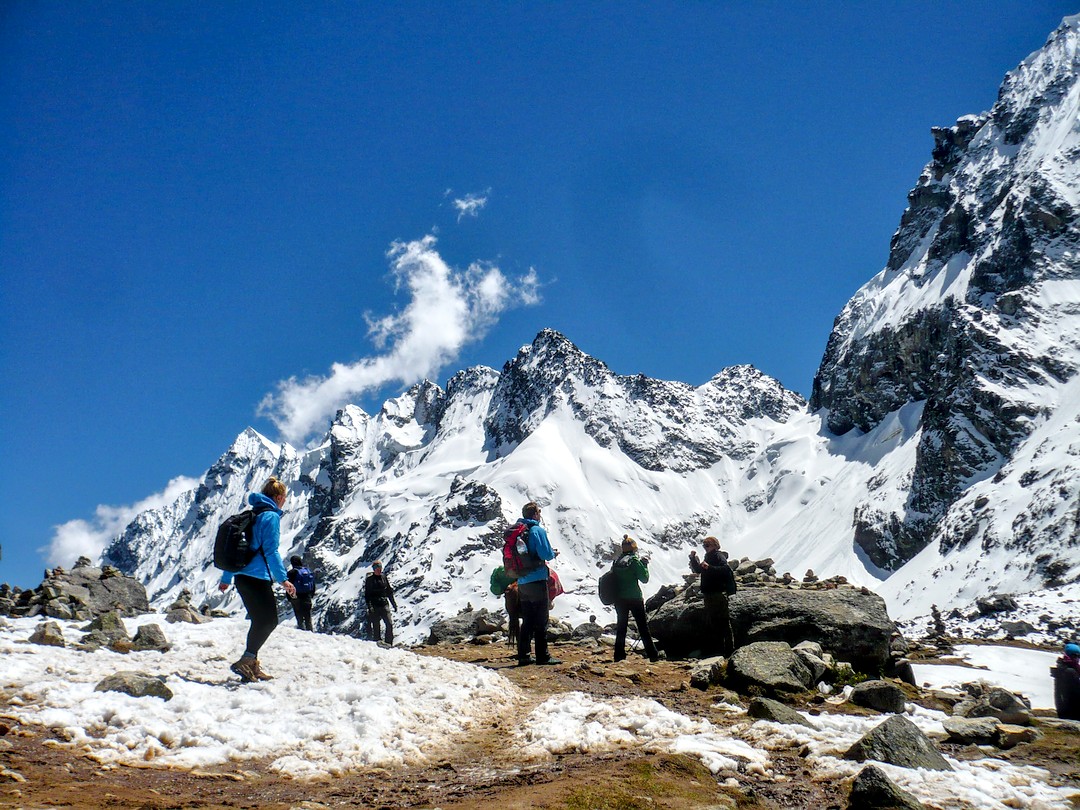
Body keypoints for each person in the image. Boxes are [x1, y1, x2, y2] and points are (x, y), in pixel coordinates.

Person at [218, 477, 296, 682]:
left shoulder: (252, 514)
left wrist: (227, 577)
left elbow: (237, 549)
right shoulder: (270, 516)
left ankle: (251, 665)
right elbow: (270, 551)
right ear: (279, 497)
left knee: (260, 620)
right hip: (257, 577)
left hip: (242, 577)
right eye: (284, 498)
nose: (285, 501)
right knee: (268, 620)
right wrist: (283, 579)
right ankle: (247, 660)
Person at [514, 502, 560, 666]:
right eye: (539, 512)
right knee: (541, 619)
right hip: (537, 579)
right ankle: (543, 656)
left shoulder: (519, 531)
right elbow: (545, 553)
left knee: (527, 620)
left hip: (522, 581)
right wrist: (552, 553)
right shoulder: (536, 530)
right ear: (534, 515)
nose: (540, 515)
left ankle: (524, 655)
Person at [611, 535, 659, 663]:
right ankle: (652, 654)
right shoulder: (634, 561)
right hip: (635, 597)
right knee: (643, 627)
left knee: (621, 626)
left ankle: (619, 655)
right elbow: (644, 578)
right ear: (634, 549)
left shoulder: (617, 561)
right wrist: (644, 565)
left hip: (620, 598)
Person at [689, 536, 736, 657]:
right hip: (709, 594)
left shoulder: (718, 556)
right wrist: (693, 559)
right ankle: (719, 649)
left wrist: (710, 568)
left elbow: (725, 570)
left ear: (715, 545)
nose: (705, 547)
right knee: (714, 621)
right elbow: (699, 570)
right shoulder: (708, 557)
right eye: (704, 545)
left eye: (708, 545)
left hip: (717, 593)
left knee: (723, 622)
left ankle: (728, 650)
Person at [364, 560, 398, 645]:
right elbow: (367, 595)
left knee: (389, 624)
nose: (379, 570)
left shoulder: (384, 577)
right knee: (376, 627)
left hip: (384, 604)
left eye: (380, 568)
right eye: (377, 568)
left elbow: (389, 591)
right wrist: (370, 607)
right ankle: (377, 644)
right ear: (374, 569)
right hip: (375, 605)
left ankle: (389, 644)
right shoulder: (370, 580)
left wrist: (394, 604)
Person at [286, 555, 315, 631]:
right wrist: (310, 595)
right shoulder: (307, 571)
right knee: (308, 617)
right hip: (307, 596)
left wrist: (289, 597)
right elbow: (312, 584)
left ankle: (301, 632)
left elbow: (289, 586)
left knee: (299, 617)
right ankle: (310, 632)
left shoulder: (291, 573)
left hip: (296, 597)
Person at [1052, 642, 1080, 720]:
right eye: (1074, 656)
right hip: (1072, 712)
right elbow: (1077, 692)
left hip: (1063, 710)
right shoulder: (1070, 671)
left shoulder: (1062, 668)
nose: (1077, 659)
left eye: (1078, 656)